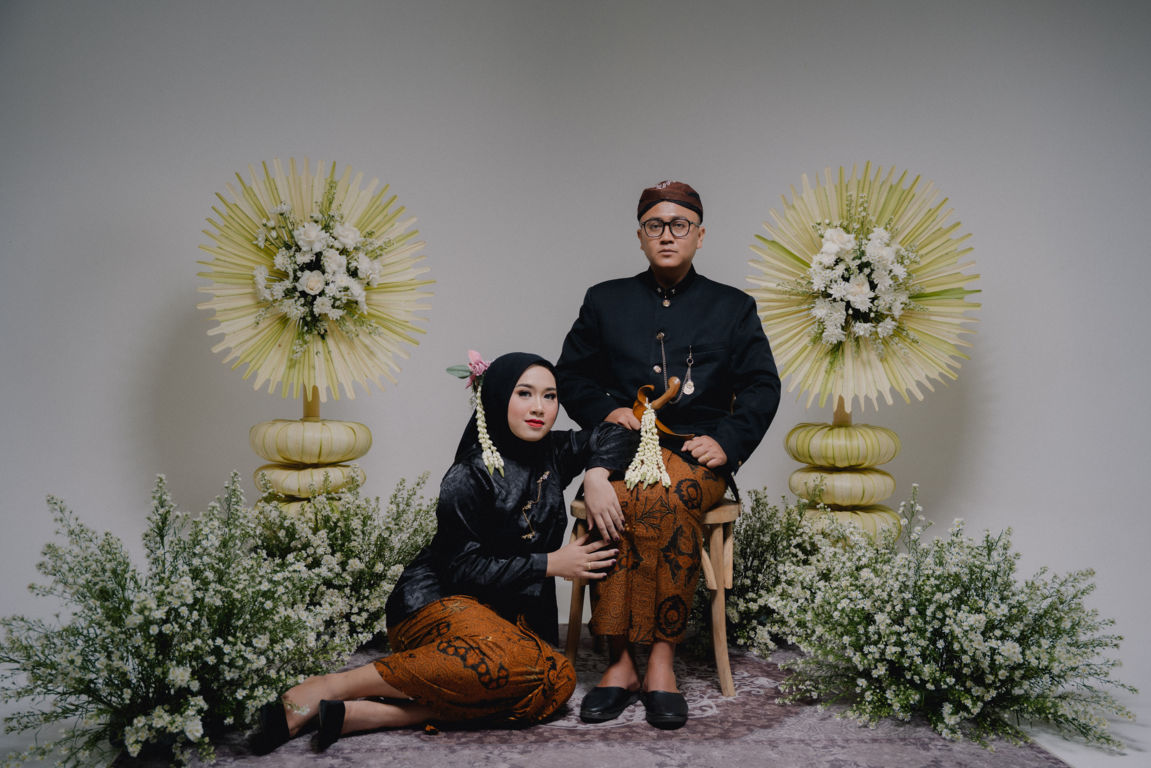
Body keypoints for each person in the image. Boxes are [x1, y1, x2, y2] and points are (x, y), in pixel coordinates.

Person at [251, 352, 633, 753]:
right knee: (523, 664)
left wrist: (596, 476)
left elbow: (619, 433)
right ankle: (332, 685)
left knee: (557, 680)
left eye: (550, 396)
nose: (539, 407)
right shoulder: (469, 474)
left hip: (502, 621)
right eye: (525, 393)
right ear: (497, 396)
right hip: (435, 602)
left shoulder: (554, 451)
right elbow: (461, 570)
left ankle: (375, 714)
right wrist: (551, 564)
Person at [555, 181, 781, 729]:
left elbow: (762, 386)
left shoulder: (733, 306)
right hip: (622, 449)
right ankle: (620, 662)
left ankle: (660, 658)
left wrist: (728, 442)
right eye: (654, 225)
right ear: (640, 236)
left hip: (697, 457)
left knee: (667, 496)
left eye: (680, 225)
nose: (667, 235)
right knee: (620, 499)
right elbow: (571, 376)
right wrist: (608, 412)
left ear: (700, 236)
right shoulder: (604, 299)